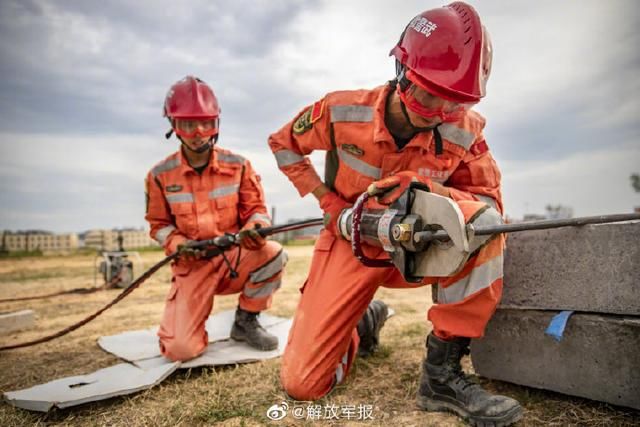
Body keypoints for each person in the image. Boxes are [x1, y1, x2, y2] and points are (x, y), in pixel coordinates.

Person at [268, 3, 522, 425]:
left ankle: (442, 374)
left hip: (419, 246)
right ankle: (362, 321)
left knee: (486, 227)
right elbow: (282, 144)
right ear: (402, 70)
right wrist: (331, 206)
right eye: (426, 95)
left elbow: (490, 206)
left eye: (453, 102)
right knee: (303, 385)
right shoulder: (341, 110)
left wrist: (425, 191)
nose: (437, 113)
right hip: (352, 241)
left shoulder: (466, 128)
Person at [145, 76, 286, 362]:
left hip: (234, 256)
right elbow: (159, 225)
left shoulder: (240, 165)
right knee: (181, 350)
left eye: (206, 123)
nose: (198, 132)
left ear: (216, 123)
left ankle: (246, 321)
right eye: (187, 124)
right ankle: (189, 324)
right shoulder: (159, 175)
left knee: (273, 253)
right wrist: (179, 244)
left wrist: (254, 230)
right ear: (173, 125)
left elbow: (257, 210)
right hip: (192, 264)